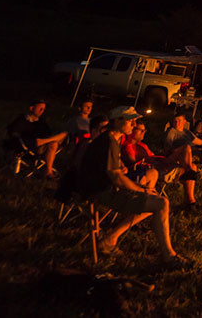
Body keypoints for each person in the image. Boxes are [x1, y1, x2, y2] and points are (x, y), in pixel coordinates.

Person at [78, 106, 188, 267]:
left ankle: (111, 238)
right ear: (116, 121)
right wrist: (140, 188)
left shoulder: (113, 139)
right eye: (130, 120)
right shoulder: (108, 141)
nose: (134, 123)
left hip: (105, 186)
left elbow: (115, 172)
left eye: (134, 120)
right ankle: (169, 256)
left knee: (157, 198)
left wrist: (136, 184)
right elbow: (115, 177)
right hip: (101, 191)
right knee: (161, 203)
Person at [122, 121, 198, 210]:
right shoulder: (129, 146)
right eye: (140, 130)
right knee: (186, 149)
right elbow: (133, 164)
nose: (143, 132)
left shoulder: (142, 145)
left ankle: (190, 201)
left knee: (191, 162)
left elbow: (152, 156)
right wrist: (151, 161)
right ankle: (189, 173)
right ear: (132, 130)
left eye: (144, 130)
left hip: (160, 163)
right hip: (156, 169)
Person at [6, 99, 68, 178]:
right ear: (32, 108)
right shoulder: (22, 119)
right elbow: (13, 133)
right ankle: (48, 172)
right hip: (30, 145)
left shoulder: (42, 122)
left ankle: (42, 142)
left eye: (43, 109)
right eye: (40, 108)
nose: (42, 111)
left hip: (42, 143)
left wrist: (46, 140)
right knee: (54, 144)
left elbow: (48, 134)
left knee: (64, 134)